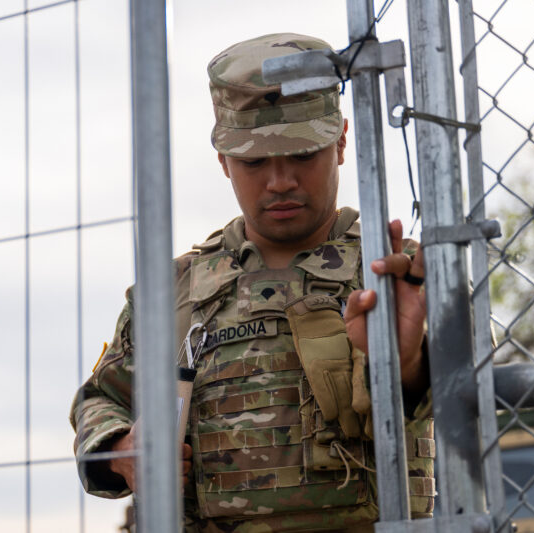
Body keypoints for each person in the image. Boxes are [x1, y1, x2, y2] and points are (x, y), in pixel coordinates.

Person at [70, 33, 436, 532]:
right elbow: (100, 398)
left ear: (342, 143)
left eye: (303, 155)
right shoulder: (173, 290)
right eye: (255, 161)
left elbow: (479, 394)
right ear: (223, 161)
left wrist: (407, 361)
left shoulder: (398, 271)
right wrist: (121, 450)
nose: (280, 180)